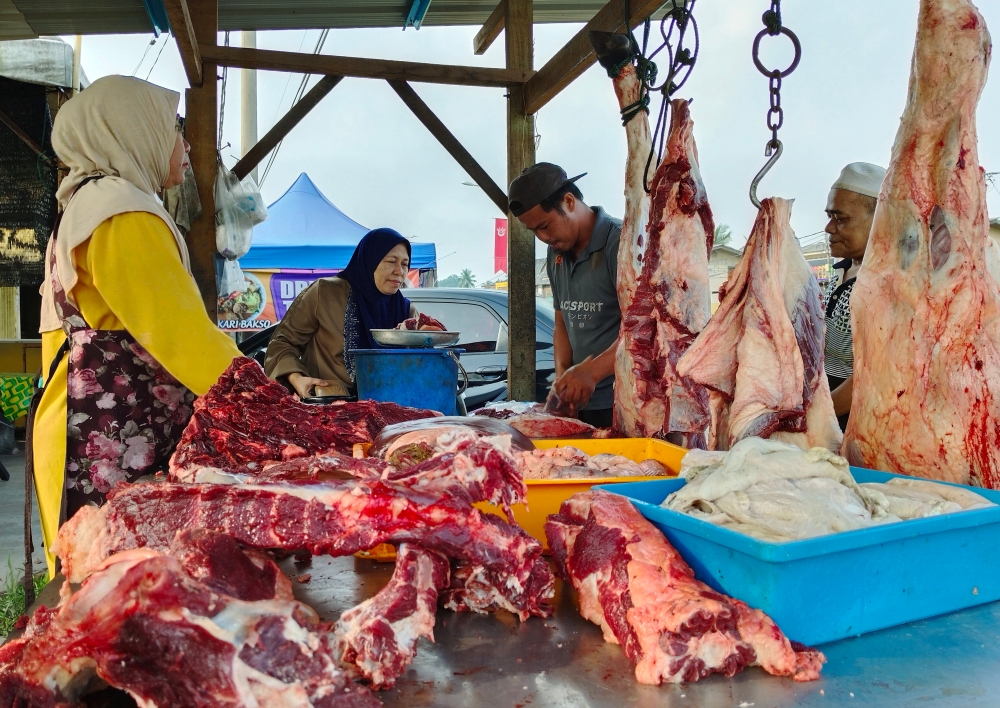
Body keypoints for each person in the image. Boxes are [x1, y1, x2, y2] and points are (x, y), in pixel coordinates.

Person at [31, 75, 242, 576]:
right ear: (132, 130)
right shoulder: (119, 212)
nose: (185, 144)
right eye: (172, 128)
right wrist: (276, 410)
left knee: (103, 599)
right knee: (123, 598)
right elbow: (183, 337)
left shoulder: (90, 205)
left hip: (84, 430)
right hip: (106, 445)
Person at [509, 163, 622, 428]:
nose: (542, 237)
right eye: (534, 230)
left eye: (545, 225)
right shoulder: (556, 252)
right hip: (581, 404)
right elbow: (562, 322)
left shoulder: (621, 243)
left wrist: (592, 373)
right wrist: (563, 381)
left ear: (569, 201)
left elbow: (643, 332)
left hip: (623, 399)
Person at [264, 229, 441, 398]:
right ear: (369, 260)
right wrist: (297, 378)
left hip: (388, 413)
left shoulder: (406, 311)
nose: (399, 271)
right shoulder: (325, 293)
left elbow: (420, 365)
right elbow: (282, 342)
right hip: (326, 412)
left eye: (404, 264)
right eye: (391, 261)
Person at [822, 162, 886, 431]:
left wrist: (816, 419)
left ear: (879, 219)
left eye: (841, 218)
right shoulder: (845, 269)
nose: (828, 228)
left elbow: (872, 375)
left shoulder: (886, 282)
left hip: (860, 418)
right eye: (829, 216)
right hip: (829, 401)